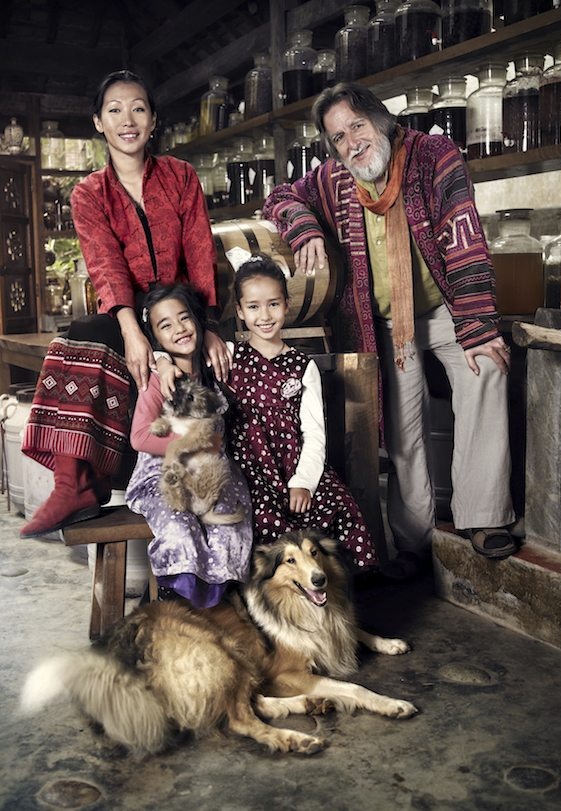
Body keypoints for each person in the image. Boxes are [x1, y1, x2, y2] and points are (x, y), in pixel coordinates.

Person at [263, 82, 517, 572]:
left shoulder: (433, 155)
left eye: (357, 126)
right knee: (402, 432)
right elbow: (280, 197)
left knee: (487, 371)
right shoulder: (335, 181)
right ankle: (413, 544)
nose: (351, 142)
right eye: (337, 137)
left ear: (380, 121)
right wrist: (305, 227)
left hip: (446, 306)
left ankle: (483, 518)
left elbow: (464, 234)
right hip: (385, 319)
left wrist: (478, 326)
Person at [20, 69, 231, 539]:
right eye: (114, 110)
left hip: (181, 308)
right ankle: (75, 483)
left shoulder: (180, 176)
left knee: (204, 352)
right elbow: (105, 264)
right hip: (126, 311)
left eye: (138, 108)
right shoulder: (89, 192)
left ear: (153, 120)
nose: (127, 119)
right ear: (99, 122)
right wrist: (135, 332)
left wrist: (209, 322)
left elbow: (200, 252)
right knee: (80, 337)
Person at [226, 254, 379, 572]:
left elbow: (313, 433)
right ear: (240, 311)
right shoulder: (228, 357)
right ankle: (269, 596)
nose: (264, 315)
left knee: (337, 500)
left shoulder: (302, 365)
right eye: (253, 307)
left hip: (293, 464)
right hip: (248, 467)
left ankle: (331, 591)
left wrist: (304, 482)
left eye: (273, 304)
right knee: (264, 514)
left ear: (286, 304)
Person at [125, 284, 253, 606]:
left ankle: (221, 606)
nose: (179, 329)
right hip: (164, 473)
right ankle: (178, 603)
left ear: (197, 321)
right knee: (179, 528)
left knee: (230, 522)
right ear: (155, 339)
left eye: (184, 318)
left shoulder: (214, 365)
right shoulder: (157, 377)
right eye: (165, 325)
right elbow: (139, 436)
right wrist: (189, 442)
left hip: (211, 472)